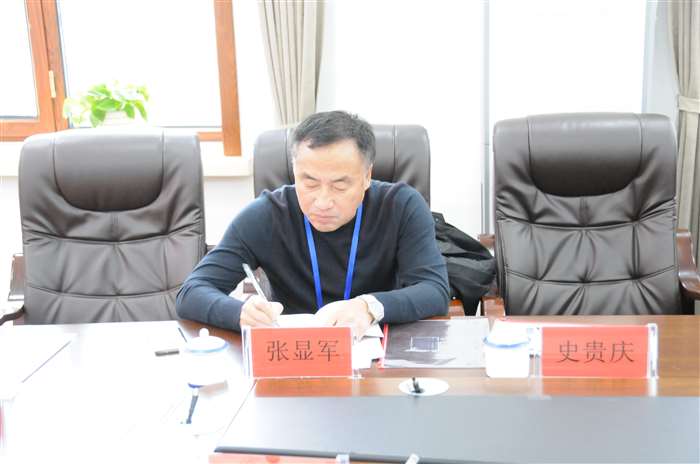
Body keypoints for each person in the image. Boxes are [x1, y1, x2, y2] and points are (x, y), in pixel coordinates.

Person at [176, 111, 449, 336]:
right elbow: (191, 292)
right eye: (309, 182)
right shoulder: (266, 215)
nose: (323, 201)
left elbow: (434, 290)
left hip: (376, 354)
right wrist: (240, 312)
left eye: (340, 185)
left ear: (367, 176)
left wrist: (369, 306)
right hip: (293, 356)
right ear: (294, 171)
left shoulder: (401, 206)